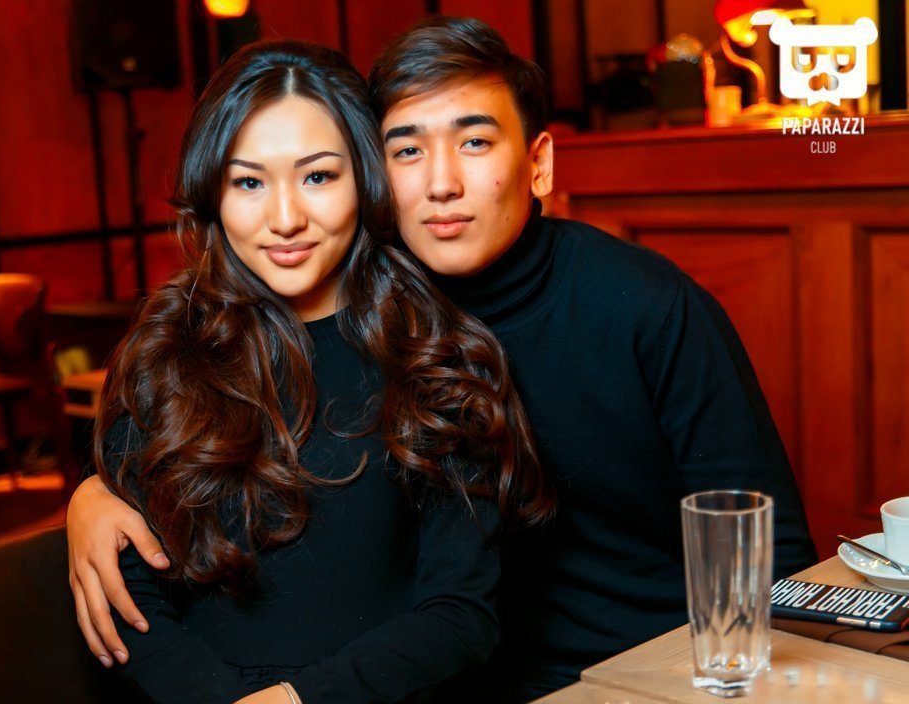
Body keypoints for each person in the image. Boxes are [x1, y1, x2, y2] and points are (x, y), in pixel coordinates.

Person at [68, 17, 817, 702]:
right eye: (407, 150)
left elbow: (770, 551)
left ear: (539, 162)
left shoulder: (627, 309)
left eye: (475, 142)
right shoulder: (365, 321)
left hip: (656, 672)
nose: (440, 183)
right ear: (379, 175)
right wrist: (95, 491)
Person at [87, 38, 553, 704]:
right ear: (213, 192)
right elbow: (131, 604)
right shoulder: (166, 349)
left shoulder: (437, 355)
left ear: (364, 180)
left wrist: (296, 702)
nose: (285, 219)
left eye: (318, 177)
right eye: (249, 182)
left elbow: (460, 617)